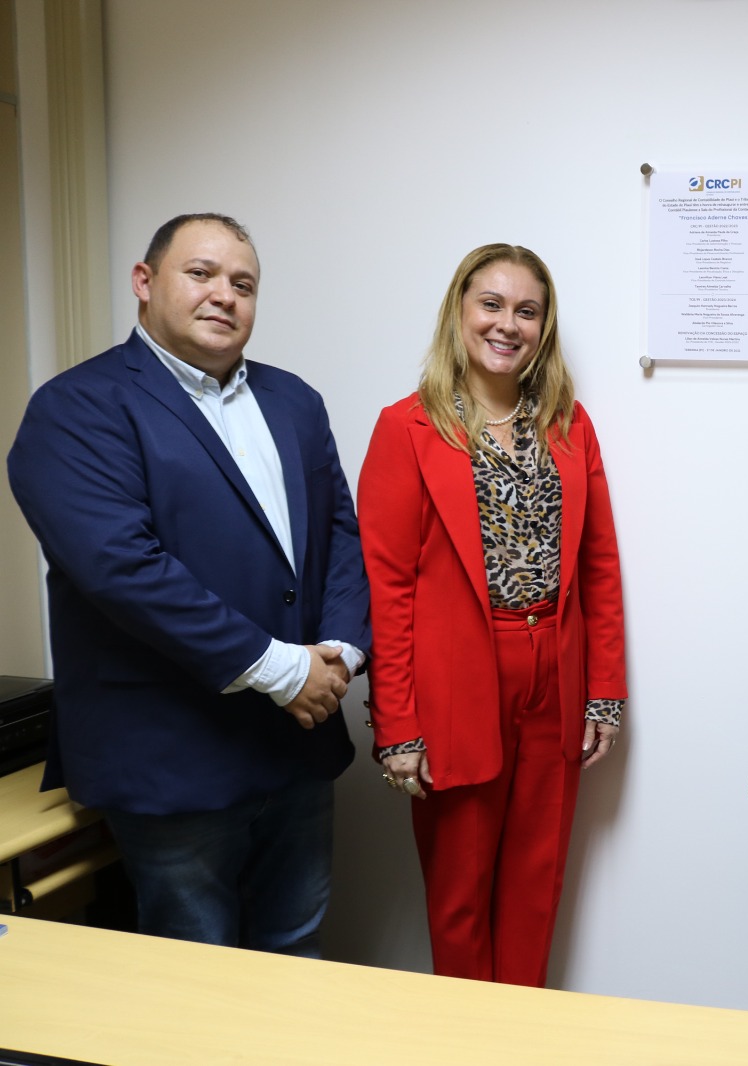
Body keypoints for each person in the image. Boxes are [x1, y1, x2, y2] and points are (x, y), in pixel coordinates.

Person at [7, 213, 369, 955]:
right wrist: (284, 670)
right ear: (144, 282)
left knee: (297, 950)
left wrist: (339, 651)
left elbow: (340, 536)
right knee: (192, 973)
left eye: (244, 284)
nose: (224, 295)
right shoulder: (76, 408)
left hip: (297, 743)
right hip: (171, 757)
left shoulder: (295, 401)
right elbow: (123, 569)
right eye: (201, 273)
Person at [358, 243, 626, 987]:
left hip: (555, 674)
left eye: (527, 311)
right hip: (457, 682)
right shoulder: (408, 427)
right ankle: (466, 1039)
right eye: (492, 304)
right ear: (460, 311)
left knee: (536, 888)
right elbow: (387, 587)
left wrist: (604, 691)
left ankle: (522, 1035)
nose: (508, 324)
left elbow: (599, 566)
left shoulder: (569, 426)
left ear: (544, 327)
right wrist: (398, 726)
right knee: (460, 898)